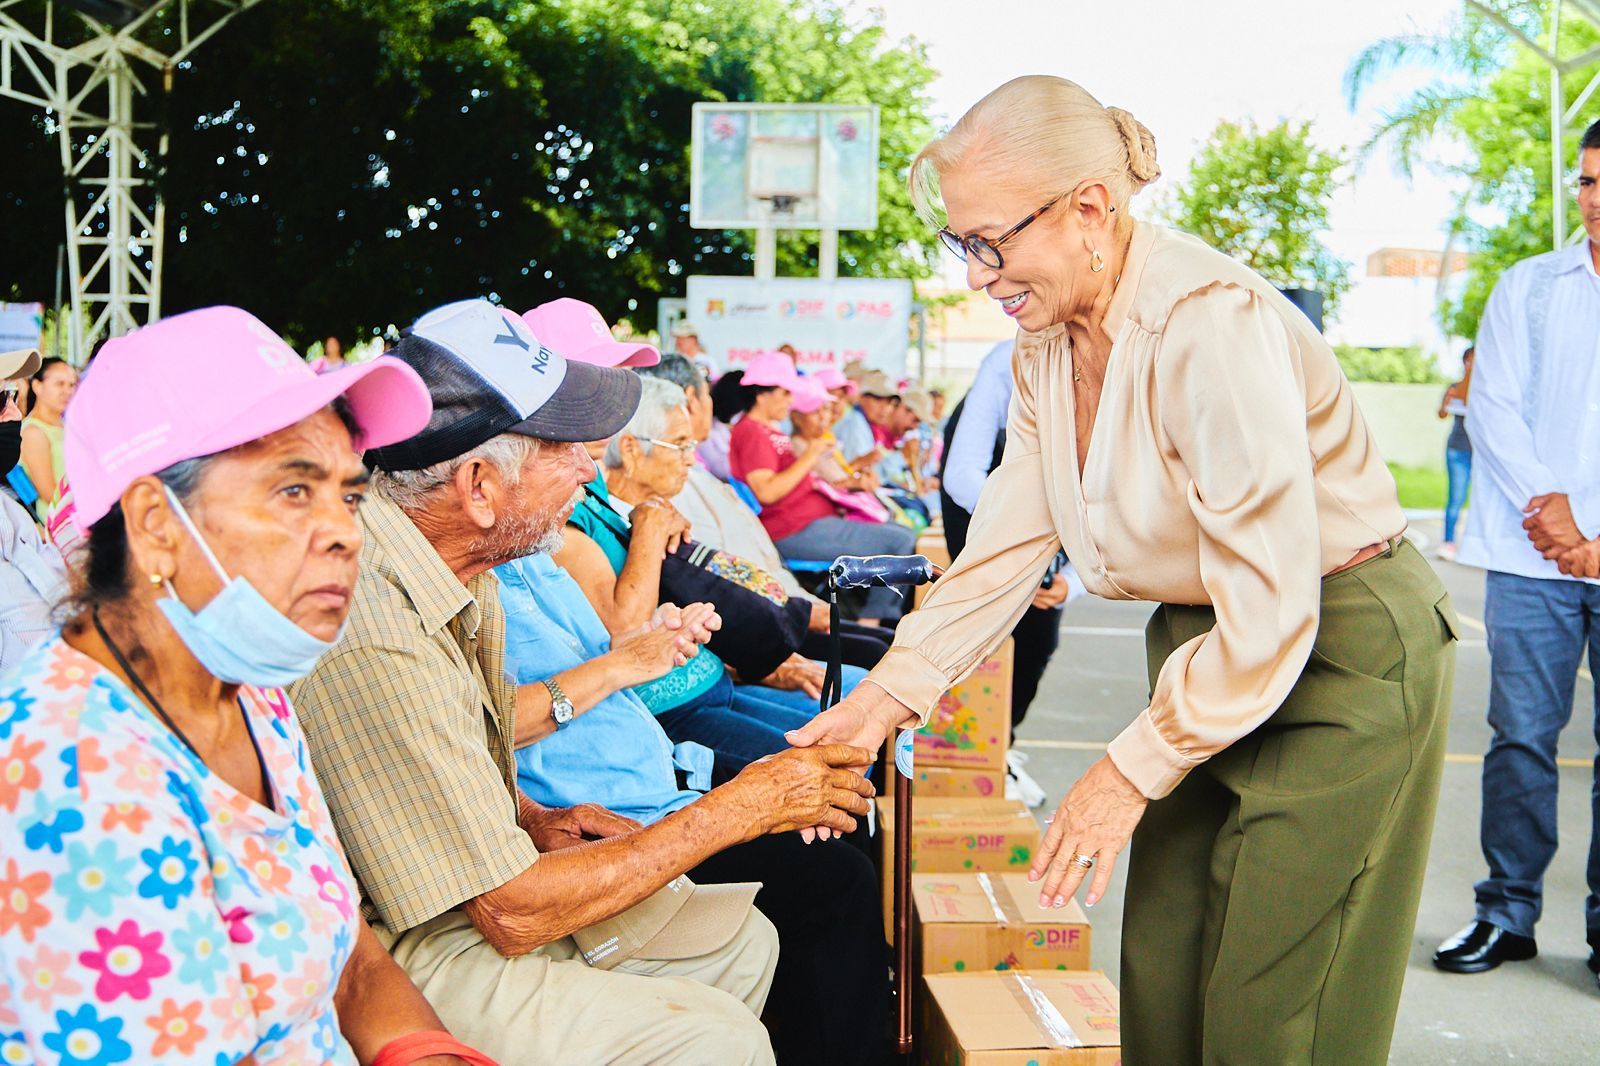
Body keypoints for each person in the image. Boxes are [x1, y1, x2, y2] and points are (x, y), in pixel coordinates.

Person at [787, 75, 1457, 1065]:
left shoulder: (1207, 322)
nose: (977, 275)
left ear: (1089, 209)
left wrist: (1124, 772)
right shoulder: (1043, 343)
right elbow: (1005, 547)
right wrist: (882, 698)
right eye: (960, 244)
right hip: (1203, 643)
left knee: (1271, 1008)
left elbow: (1271, 605)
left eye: (989, 240)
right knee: (1163, 973)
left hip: (1338, 646)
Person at [289, 299, 873, 1065]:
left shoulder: (464, 569)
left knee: (745, 945)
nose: (593, 467)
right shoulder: (380, 616)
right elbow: (510, 912)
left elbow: (460, 751)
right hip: (400, 946)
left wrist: (530, 815)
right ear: (477, 486)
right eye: (563, 447)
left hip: (465, 897)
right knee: (722, 1035)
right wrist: (745, 806)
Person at [0, 306, 512, 1065]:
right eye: (293, 492)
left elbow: (351, 963)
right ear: (155, 523)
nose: (344, 531)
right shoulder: (68, 775)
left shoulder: (249, 692)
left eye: (349, 495)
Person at [495, 551, 890, 1065]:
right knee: (835, 875)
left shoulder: (532, 556)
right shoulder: (483, 573)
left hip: (667, 776)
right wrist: (622, 663)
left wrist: (652, 644)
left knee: (842, 816)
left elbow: (596, 663)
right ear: (480, 483)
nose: (582, 471)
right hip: (615, 817)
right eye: (561, 462)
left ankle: (846, 1017)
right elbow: (485, 721)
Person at [1434, 120, 1600, 986]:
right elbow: (1491, 407)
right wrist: (1561, 522)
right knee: (1522, 740)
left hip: (1584, 547)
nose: (1597, 200)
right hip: (1534, 559)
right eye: (1587, 182)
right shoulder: (1531, 286)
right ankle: (1507, 914)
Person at [562, 376, 866, 771]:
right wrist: (651, 528)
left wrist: (757, 668)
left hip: (716, 679)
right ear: (633, 450)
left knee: (854, 727)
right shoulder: (582, 519)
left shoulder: (626, 506)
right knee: (832, 760)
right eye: (682, 445)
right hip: (672, 712)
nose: (692, 457)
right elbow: (627, 629)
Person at [642, 355, 891, 669]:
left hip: (779, 601)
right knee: (883, 651)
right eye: (785, 393)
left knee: (888, 645)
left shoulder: (696, 473)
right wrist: (795, 611)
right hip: (770, 612)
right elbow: (719, 572)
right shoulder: (677, 484)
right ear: (690, 401)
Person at [938, 337, 1081, 807]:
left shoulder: (1129, 376)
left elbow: (1113, 511)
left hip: (1058, 497)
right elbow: (961, 477)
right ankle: (973, 754)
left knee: (1041, 634)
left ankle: (1003, 743)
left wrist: (1069, 585)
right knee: (989, 627)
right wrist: (1030, 528)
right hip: (984, 491)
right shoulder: (1005, 362)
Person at [729, 353, 917, 625]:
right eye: (784, 393)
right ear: (762, 394)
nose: (790, 400)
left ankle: (873, 624)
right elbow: (766, 492)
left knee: (901, 534)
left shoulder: (766, 431)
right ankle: (872, 626)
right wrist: (810, 455)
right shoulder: (752, 432)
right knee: (899, 542)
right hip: (793, 530)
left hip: (811, 522)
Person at [0, 347, 70, 675]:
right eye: (2, 400)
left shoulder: (9, 507)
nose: (15, 414)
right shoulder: (36, 432)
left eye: (14, 397)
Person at [20, 356, 77, 521]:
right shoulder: (33, 431)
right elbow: (50, 495)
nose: (67, 391)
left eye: (72, 384)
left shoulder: (67, 425)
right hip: (57, 527)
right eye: (59, 384)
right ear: (37, 386)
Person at [1436, 346, 1475, 561]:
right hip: (1458, 449)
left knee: (1480, 500)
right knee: (1456, 498)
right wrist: (1447, 401)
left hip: (1482, 454)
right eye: (1469, 360)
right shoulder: (1455, 387)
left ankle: (1475, 545)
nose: (1472, 364)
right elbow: (1441, 414)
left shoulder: (1487, 388)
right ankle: (1448, 542)